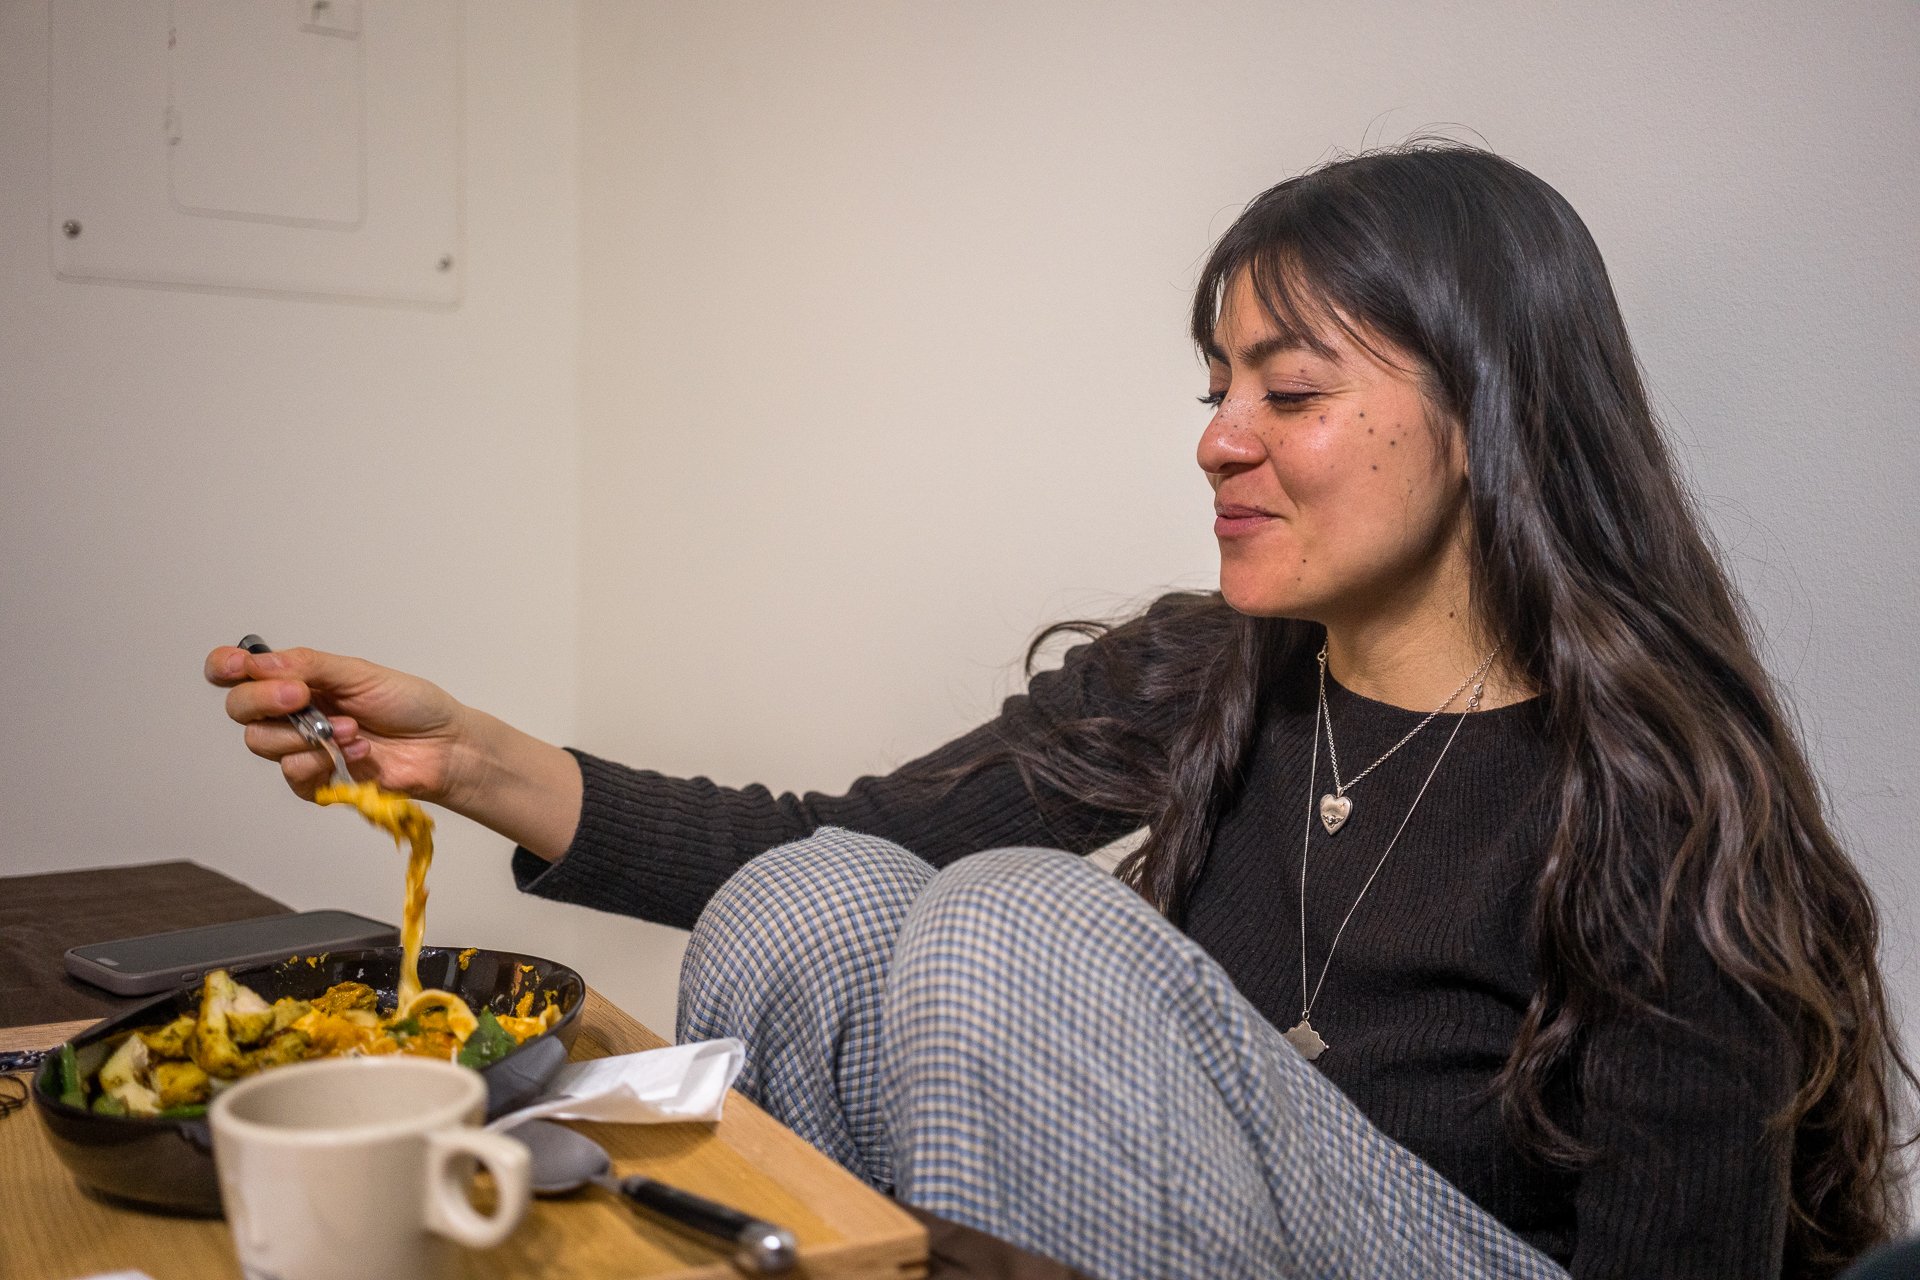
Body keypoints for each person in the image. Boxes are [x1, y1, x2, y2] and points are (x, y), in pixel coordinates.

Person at [206, 142, 1910, 1280]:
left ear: (1489, 415)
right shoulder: (1208, 672)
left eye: (1290, 391)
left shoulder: (1659, 794)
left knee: (1017, 926)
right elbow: (817, 843)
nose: (1217, 439)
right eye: (1215, 387)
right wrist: (469, 757)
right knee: (818, 902)